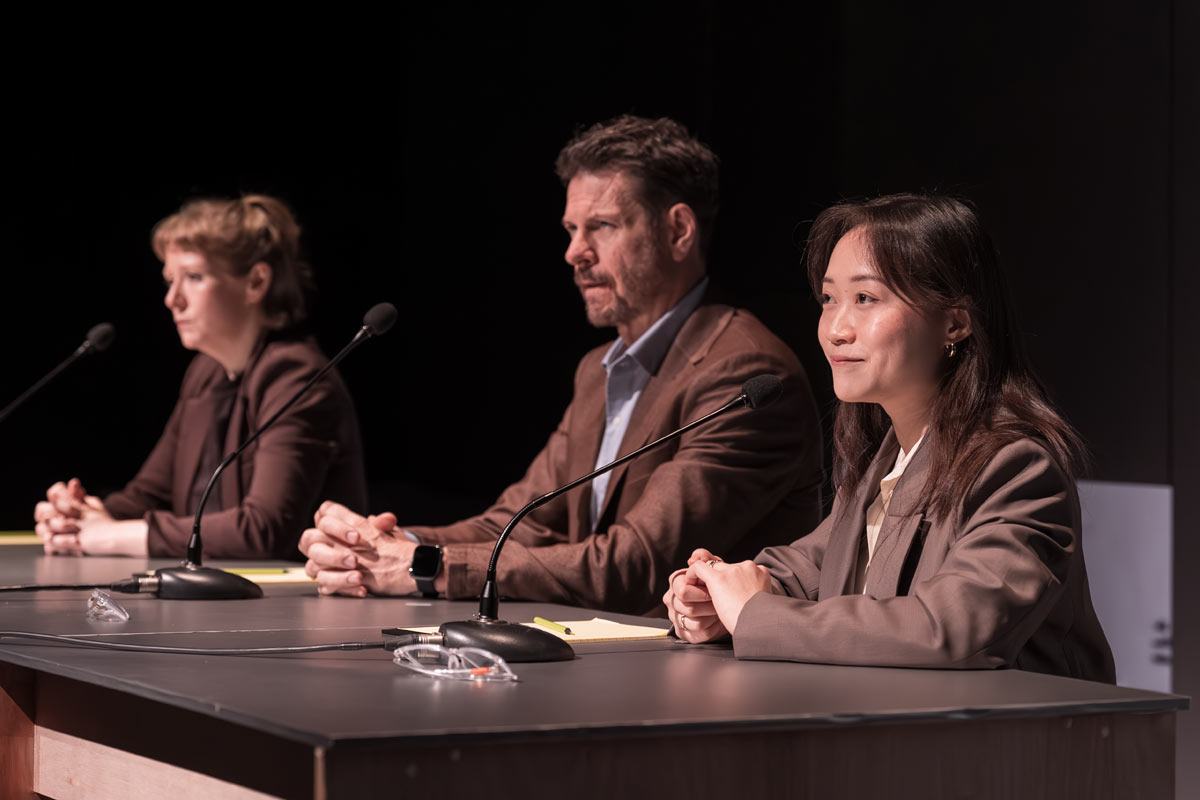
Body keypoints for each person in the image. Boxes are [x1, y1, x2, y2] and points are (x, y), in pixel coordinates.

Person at [299, 115, 825, 615]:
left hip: (699, 668)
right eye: (571, 229)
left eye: (602, 226)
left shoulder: (742, 373)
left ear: (678, 231)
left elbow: (633, 566)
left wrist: (422, 565)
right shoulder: (598, 369)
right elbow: (515, 524)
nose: (575, 253)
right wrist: (377, 545)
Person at [664, 193, 1115, 682]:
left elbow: (952, 627)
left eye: (865, 299)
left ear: (955, 323)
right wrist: (714, 591)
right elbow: (806, 570)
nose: (836, 330)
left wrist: (754, 614)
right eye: (829, 299)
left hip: (1015, 730)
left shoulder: (1017, 466)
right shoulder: (886, 459)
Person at [34, 195, 367, 559]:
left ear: (256, 282)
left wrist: (107, 536)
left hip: (294, 594)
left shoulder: (296, 376)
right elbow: (147, 497)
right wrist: (79, 516)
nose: (172, 299)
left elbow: (263, 531)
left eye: (193, 277)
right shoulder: (205, 372)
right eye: (170, 280)